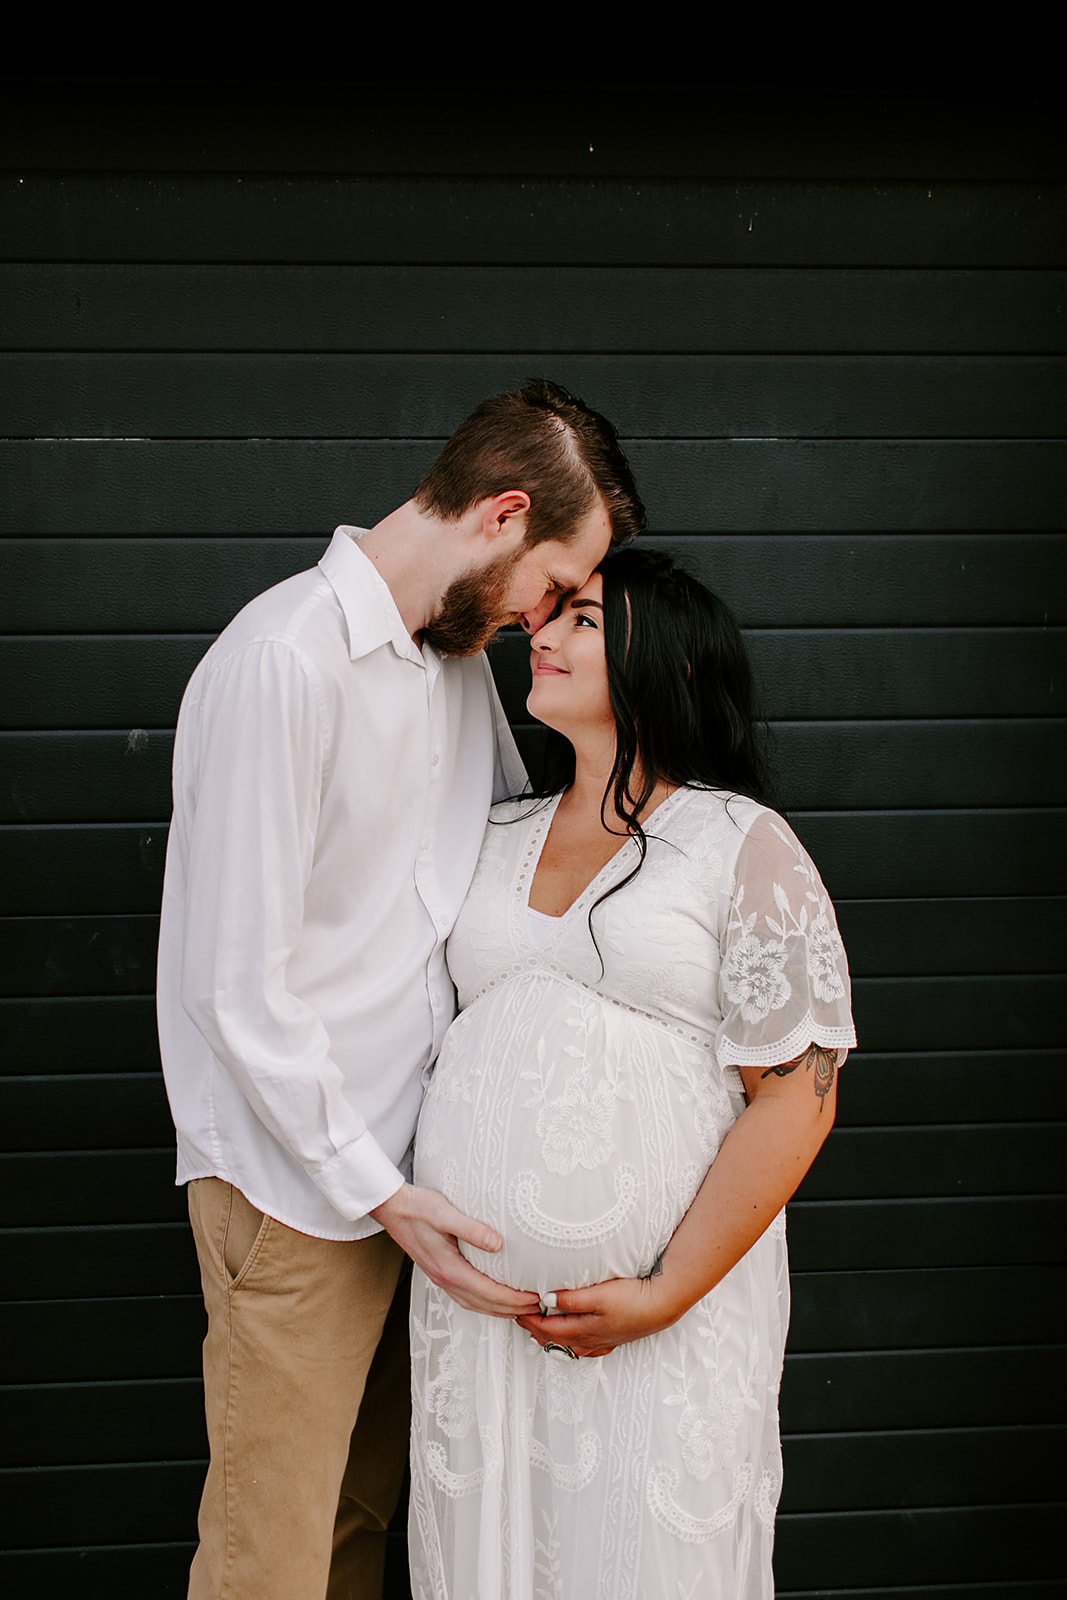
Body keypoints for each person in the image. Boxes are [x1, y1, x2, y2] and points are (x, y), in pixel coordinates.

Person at [155, 379, 645, 1600]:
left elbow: (486, 878)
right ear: (501, 515)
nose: (547, 620)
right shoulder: (283, 664)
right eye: (554, 586)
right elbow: (233, 987)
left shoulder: (449, 665)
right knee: (269, 1556)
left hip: (413, 1180)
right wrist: (378, 1191)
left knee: (365, 1527)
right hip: (299, 1188)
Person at [409, 547, 856, 1599]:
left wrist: (660, 1293)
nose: (540, 633)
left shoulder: (741, 841)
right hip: (480, 1327)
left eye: (580, 620)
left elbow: (797, 1094)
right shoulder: (488, 832)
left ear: (672, 666)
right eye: (542, 618)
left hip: (666, 1325)